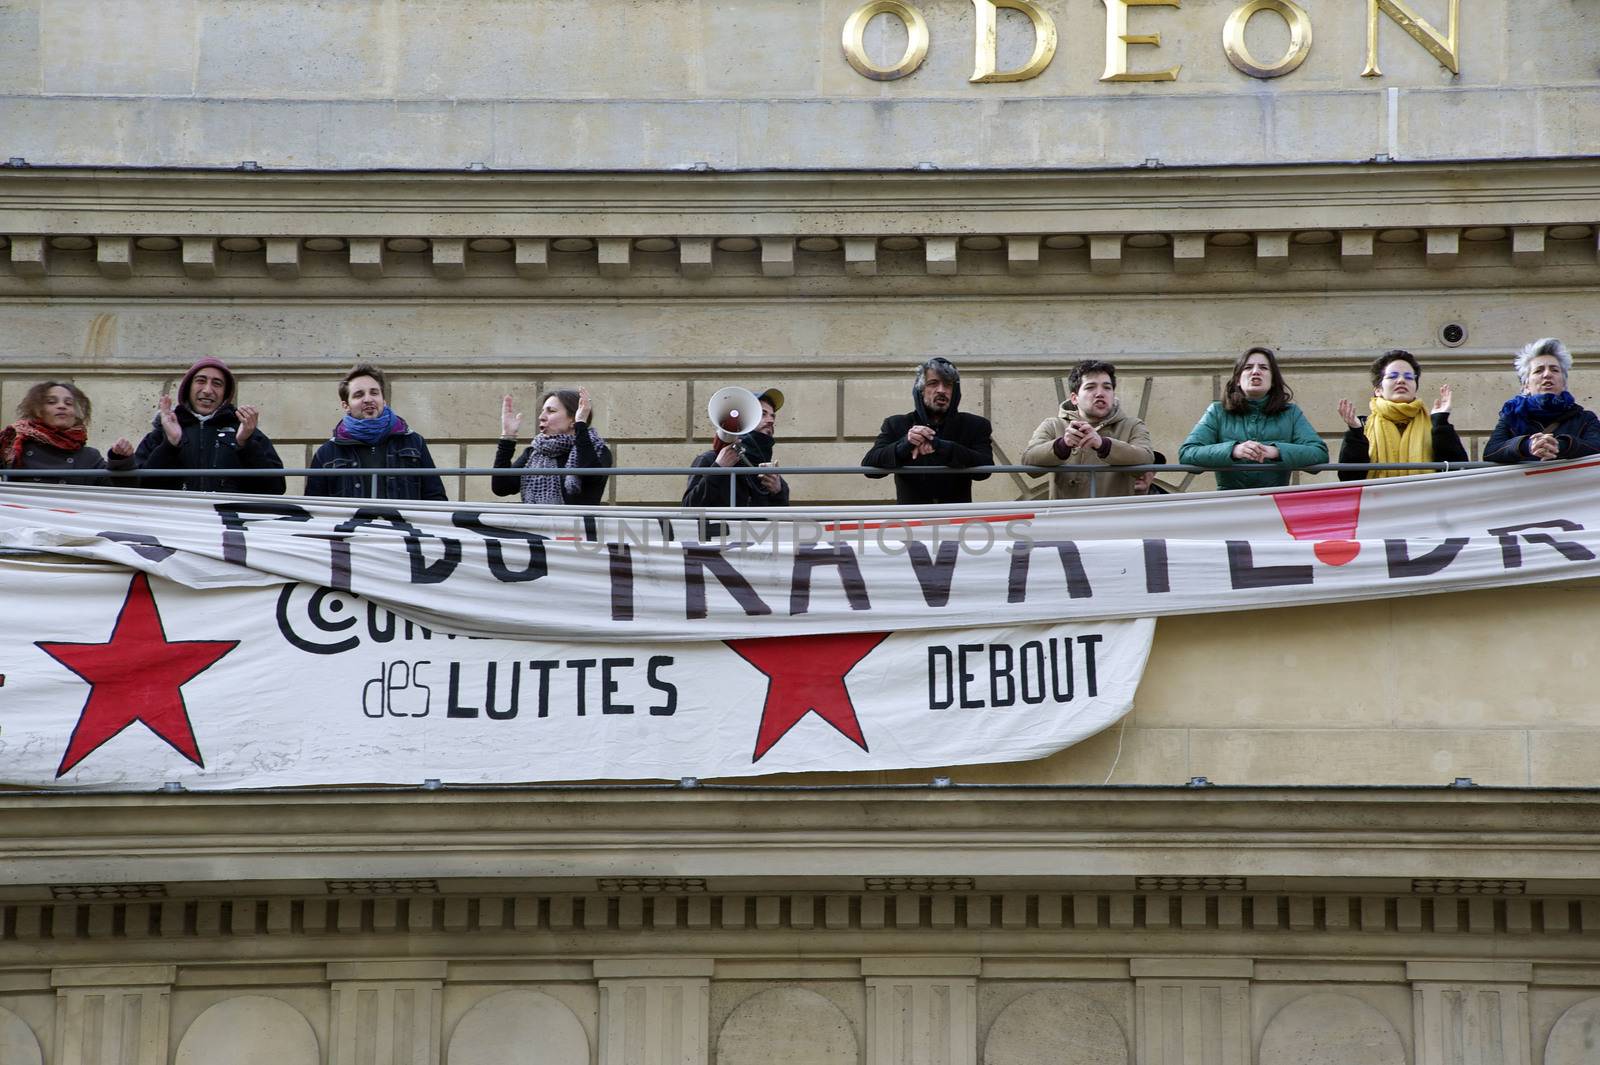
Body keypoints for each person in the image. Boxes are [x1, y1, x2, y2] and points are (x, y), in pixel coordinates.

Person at [1179, 346, 1328, 490]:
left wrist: (1275, 451)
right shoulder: (1217, 412)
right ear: (1237, 379)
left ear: (1273, 380)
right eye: (1248, 367)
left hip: (1275, 505)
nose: (1255, 372)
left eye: (1263, 368)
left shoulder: (1291, 413)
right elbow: (1187, 453)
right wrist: (1233, 450)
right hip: (1229, 505)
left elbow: (1319, 454)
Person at [133, 356, 285, 493]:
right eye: (201, 381)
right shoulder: (162, 432)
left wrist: (246, 445)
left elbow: (275, 488)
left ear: (226, 394)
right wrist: (170, 445)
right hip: (176, 520)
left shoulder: (244, 431)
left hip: (228, 521)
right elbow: (139, 486)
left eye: (217, 384)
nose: (207, 390)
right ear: (188, 388)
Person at [305, 363, 447, 500]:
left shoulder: (414, 442)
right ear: (346, 405)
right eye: (358, 395)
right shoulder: (326, 453)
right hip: (351, 525)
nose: (368, 399)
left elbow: (435, 497)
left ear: (383, 400)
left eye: (374, 393)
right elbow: (314, 509)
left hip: (401, 525)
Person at [862, 357, 994, 504]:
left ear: (955, 392)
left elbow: (985, 470)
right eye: (933, 383)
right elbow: (869, 469)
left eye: (948, 385)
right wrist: (905, 444)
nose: (941, 390)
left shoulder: (975, 425)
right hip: (911, 521)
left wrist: (941, 446)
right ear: (921, 390)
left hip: (956, 519)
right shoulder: (896, 424)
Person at [1020, 359, 1154, 499]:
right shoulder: (1053, 425)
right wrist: (1062, 445)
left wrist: (1104, 445)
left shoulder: (1133, 425)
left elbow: (1146, 461)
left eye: (1107, 388)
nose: (1100, 393)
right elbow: (1029, 462)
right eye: (1090, 387)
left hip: (1113, 516)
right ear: (1074, 398)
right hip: (1066, 517)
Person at [1336, 349, 1468, 480]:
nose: (1401, 380)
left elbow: (1457, 472)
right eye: (1393, 376)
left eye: (1409, 377)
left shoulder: (1434, 424)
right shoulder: (1362, 426)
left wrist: (1441, 423)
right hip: (1377, 499)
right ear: (1378, 390)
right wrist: (1356, 433)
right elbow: (1348, 477)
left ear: (1415, 388)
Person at [1484, 338, 1600, 463]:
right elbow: (1490, 453)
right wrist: (1527, 446)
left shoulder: (1585, 419)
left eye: (1554, 370)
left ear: (1564, 383)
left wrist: (1560, 445)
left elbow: (1596, 447)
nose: (1547, 375)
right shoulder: (1511, 416)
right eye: (1539, 370)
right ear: (1526, 385)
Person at [492, 387, 612, 505]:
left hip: (575, 523)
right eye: (542, 411)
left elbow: (591, 477)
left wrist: (581, 424)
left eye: (551, 411)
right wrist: (507, 437)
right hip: (537, 524)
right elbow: (501, 488)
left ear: (573, 419)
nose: (541, 417)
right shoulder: (534, 452)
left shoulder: (597, 450)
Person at [0, 381, 135, 485]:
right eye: (51, 402)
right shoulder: (14, 446)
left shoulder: (89, 457)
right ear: (37, 410)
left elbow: (121, 492)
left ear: (76, 414)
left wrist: (120, 460)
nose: (62, 406)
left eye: (69, 403)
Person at [682, 387, 789, 508]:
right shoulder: (710, 460)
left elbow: (781, 520)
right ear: (744, 420)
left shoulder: (770, 475)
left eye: (773, 416)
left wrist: (778, 492)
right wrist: (718, 469)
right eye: (762, 414)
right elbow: (689, 507)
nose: (770, 420)